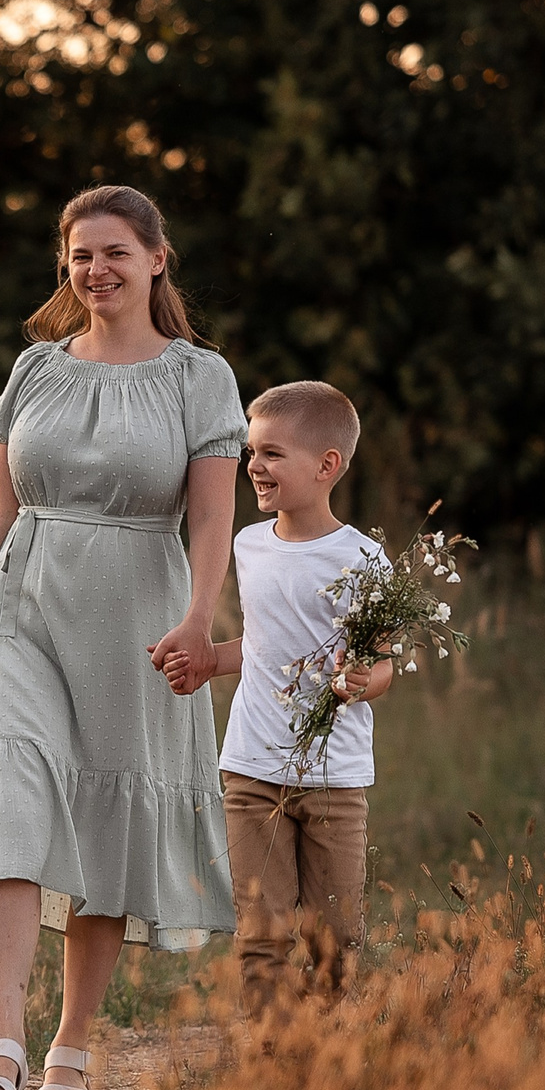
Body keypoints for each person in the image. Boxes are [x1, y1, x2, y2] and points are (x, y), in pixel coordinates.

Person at [0, 185, 243, 1090]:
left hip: (143, 612)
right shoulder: (37, 370)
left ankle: (71, 1049)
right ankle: (3, 1042)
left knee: (103, 819)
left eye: (116, 253)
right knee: (14, 787)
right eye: (81, 254)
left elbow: (213, 513)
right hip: (28, 604)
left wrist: (201, 619)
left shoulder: (199, 378)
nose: (97, 270)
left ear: (156, 260)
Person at [159, 381, 390, 1022]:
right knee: (262, 932)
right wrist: (208, 662)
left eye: (271, 454)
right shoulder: (249, 546)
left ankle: (319, 1050)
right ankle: (269, 1054)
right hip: (253, 770)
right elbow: (261, 647)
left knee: (335, 936)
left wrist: (358, 680)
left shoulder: (364, 560)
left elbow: (383, 667)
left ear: (326, 466)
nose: (253, 466)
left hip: (334, 778)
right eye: (250, 451)